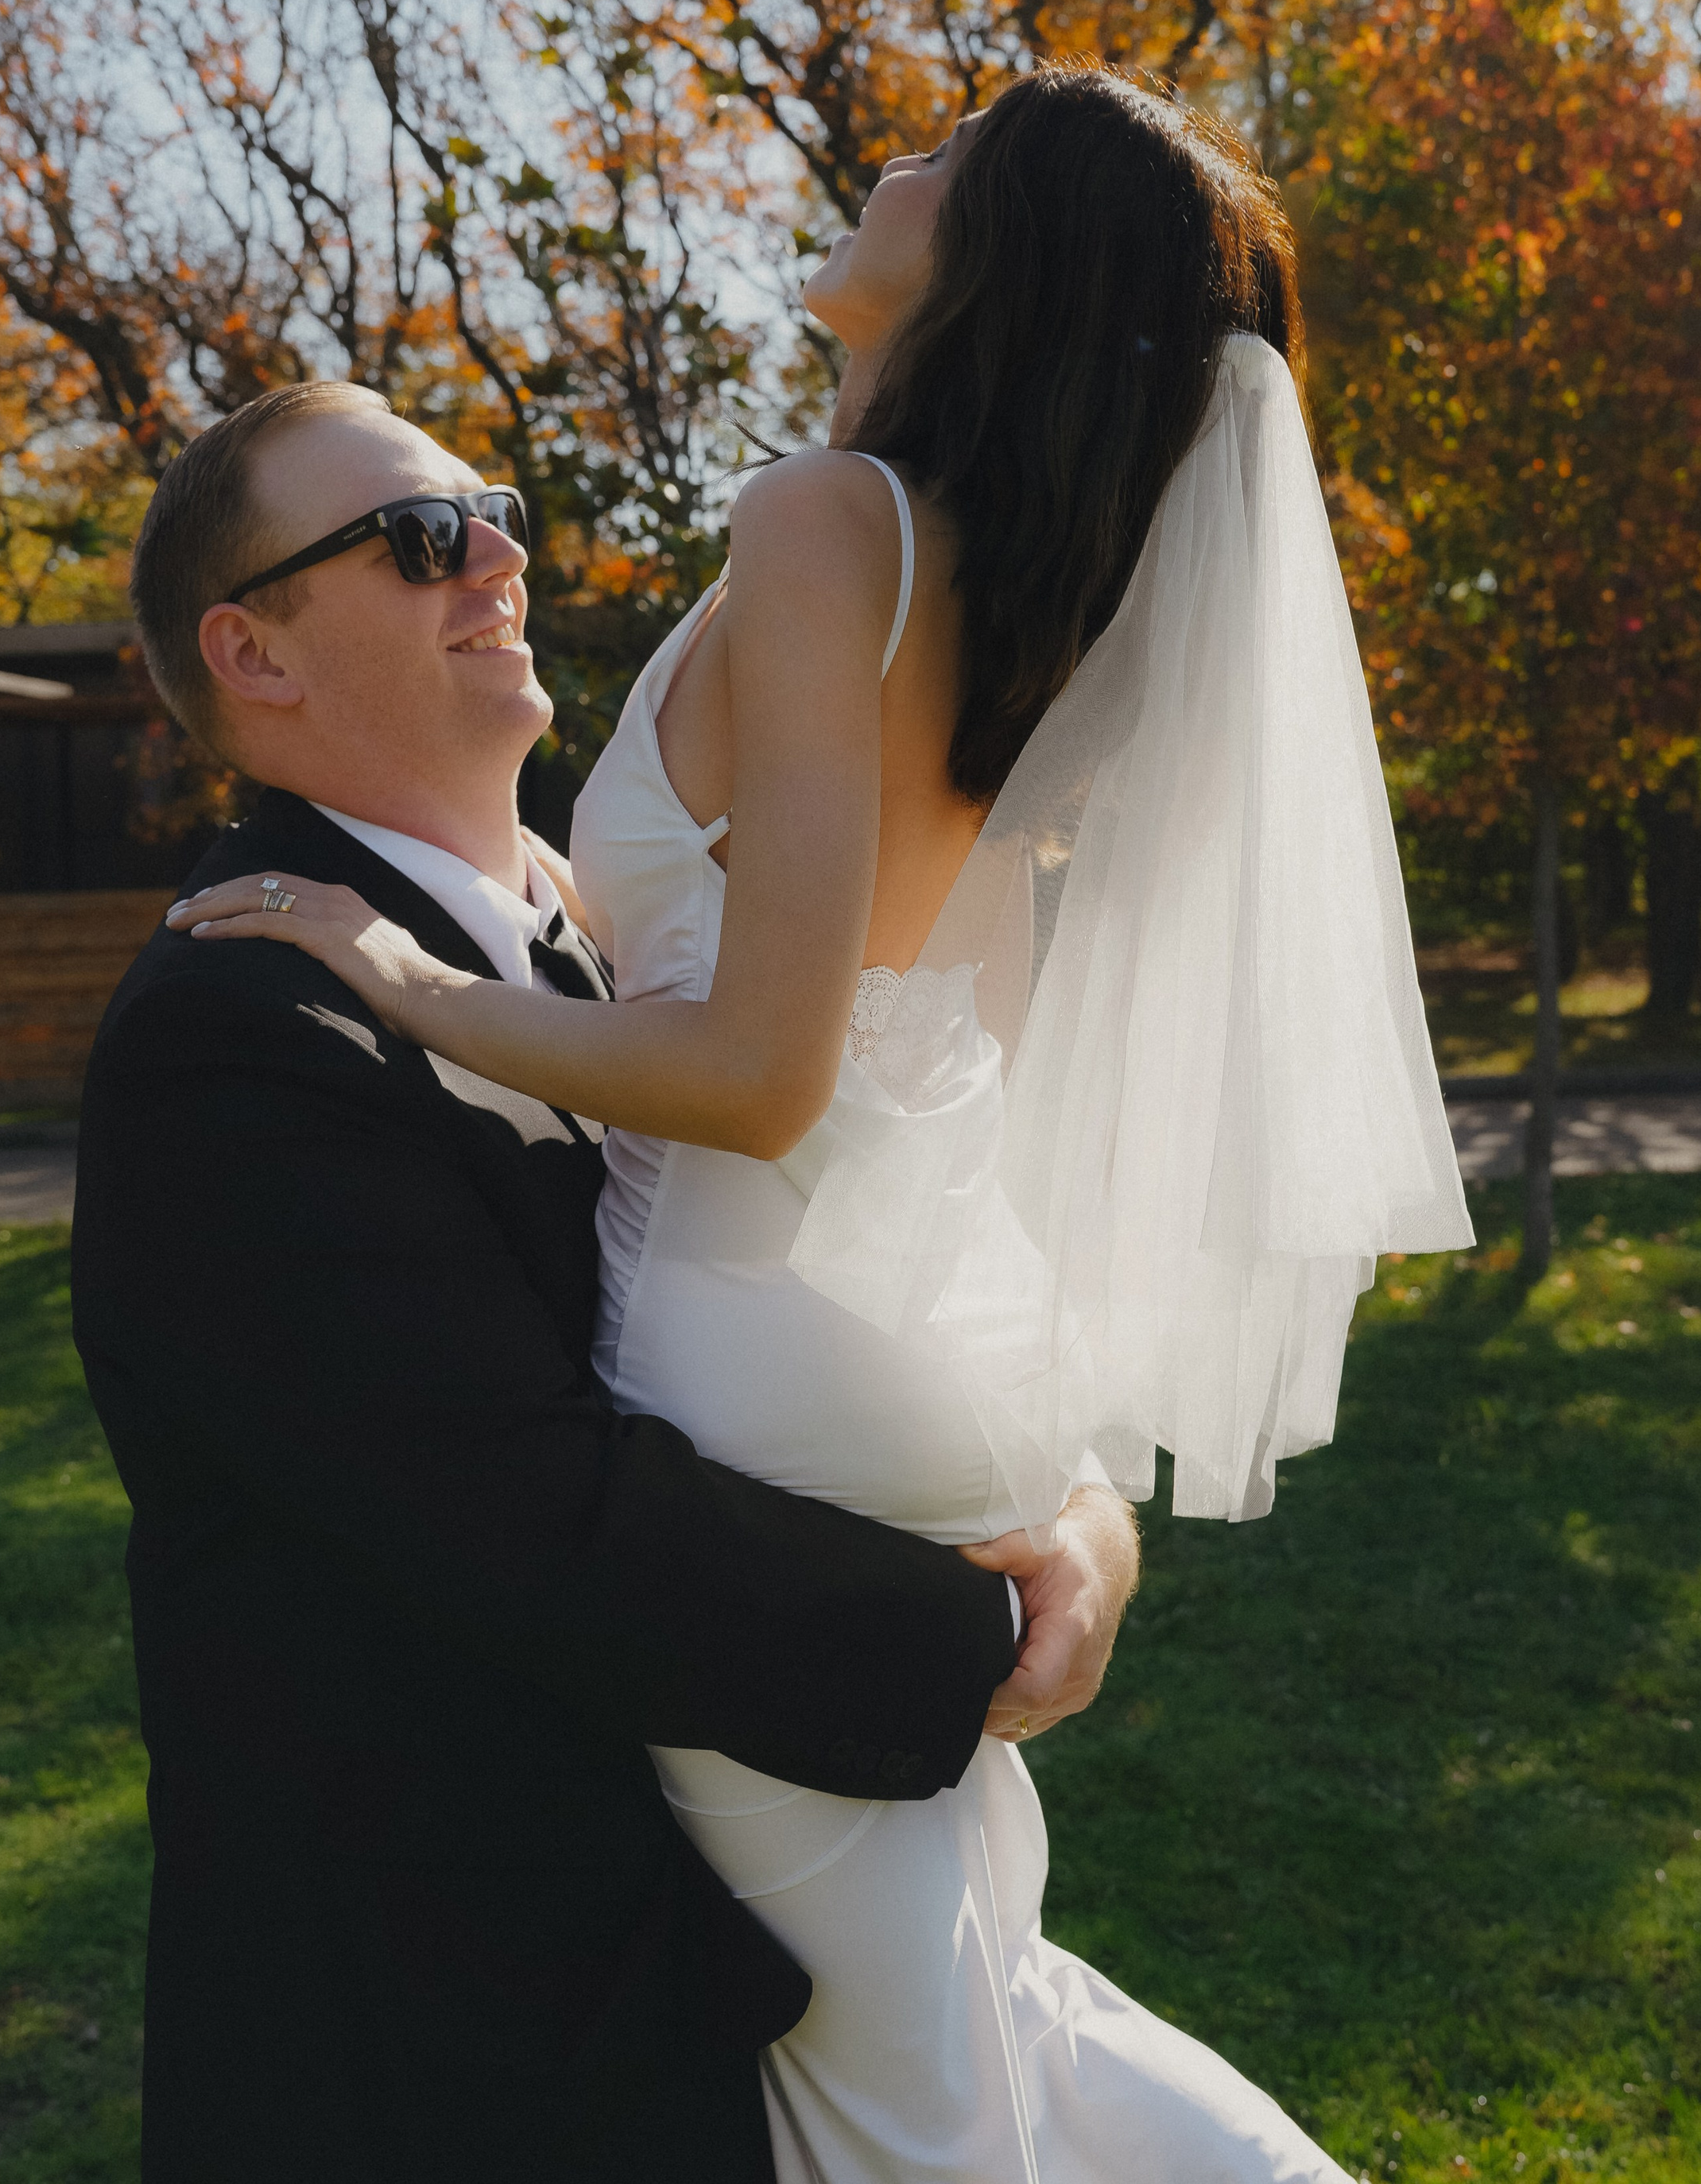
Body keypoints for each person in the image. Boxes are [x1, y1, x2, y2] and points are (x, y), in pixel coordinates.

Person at [156, 68, 1474, 2178]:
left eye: (958, 152)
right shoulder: (1004, 606)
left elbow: (764, 1070)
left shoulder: (823, 523)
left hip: (750, 1347)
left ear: (989, 259)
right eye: (425, 534)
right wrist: (1060, 1493)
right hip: (934, 1355)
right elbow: (942, 1056)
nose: (905, 149)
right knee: (975, 1999)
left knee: (905, 2096)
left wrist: (415, 986)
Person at [72, 364, 1141, 2184]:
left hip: (713, 1978)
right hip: (453, 2050)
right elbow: (529, 1517)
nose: (494, 547)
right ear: (253, 653)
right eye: (419, 537)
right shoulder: (233, 1030)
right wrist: (969, 1638)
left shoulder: (599, 948)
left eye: (483, 508)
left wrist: (1080, 1522)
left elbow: (905, 1250)